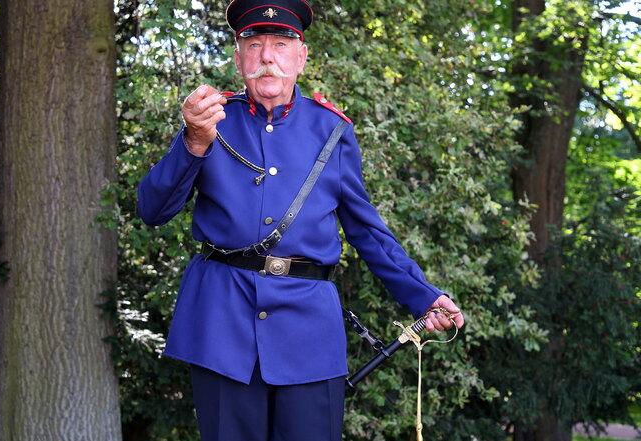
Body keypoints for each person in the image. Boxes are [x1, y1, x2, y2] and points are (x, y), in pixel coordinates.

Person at [137, 1, 465, 440]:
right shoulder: (210, 122)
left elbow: (367, 230)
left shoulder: (332, 130)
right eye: (253, 45)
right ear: (239, 59)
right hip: (221, 327)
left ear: (301, 56)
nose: (266, 57)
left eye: (279, 44)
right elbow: (152, 210)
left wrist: (423, 295)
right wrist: (193, 142)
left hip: (309, 333)